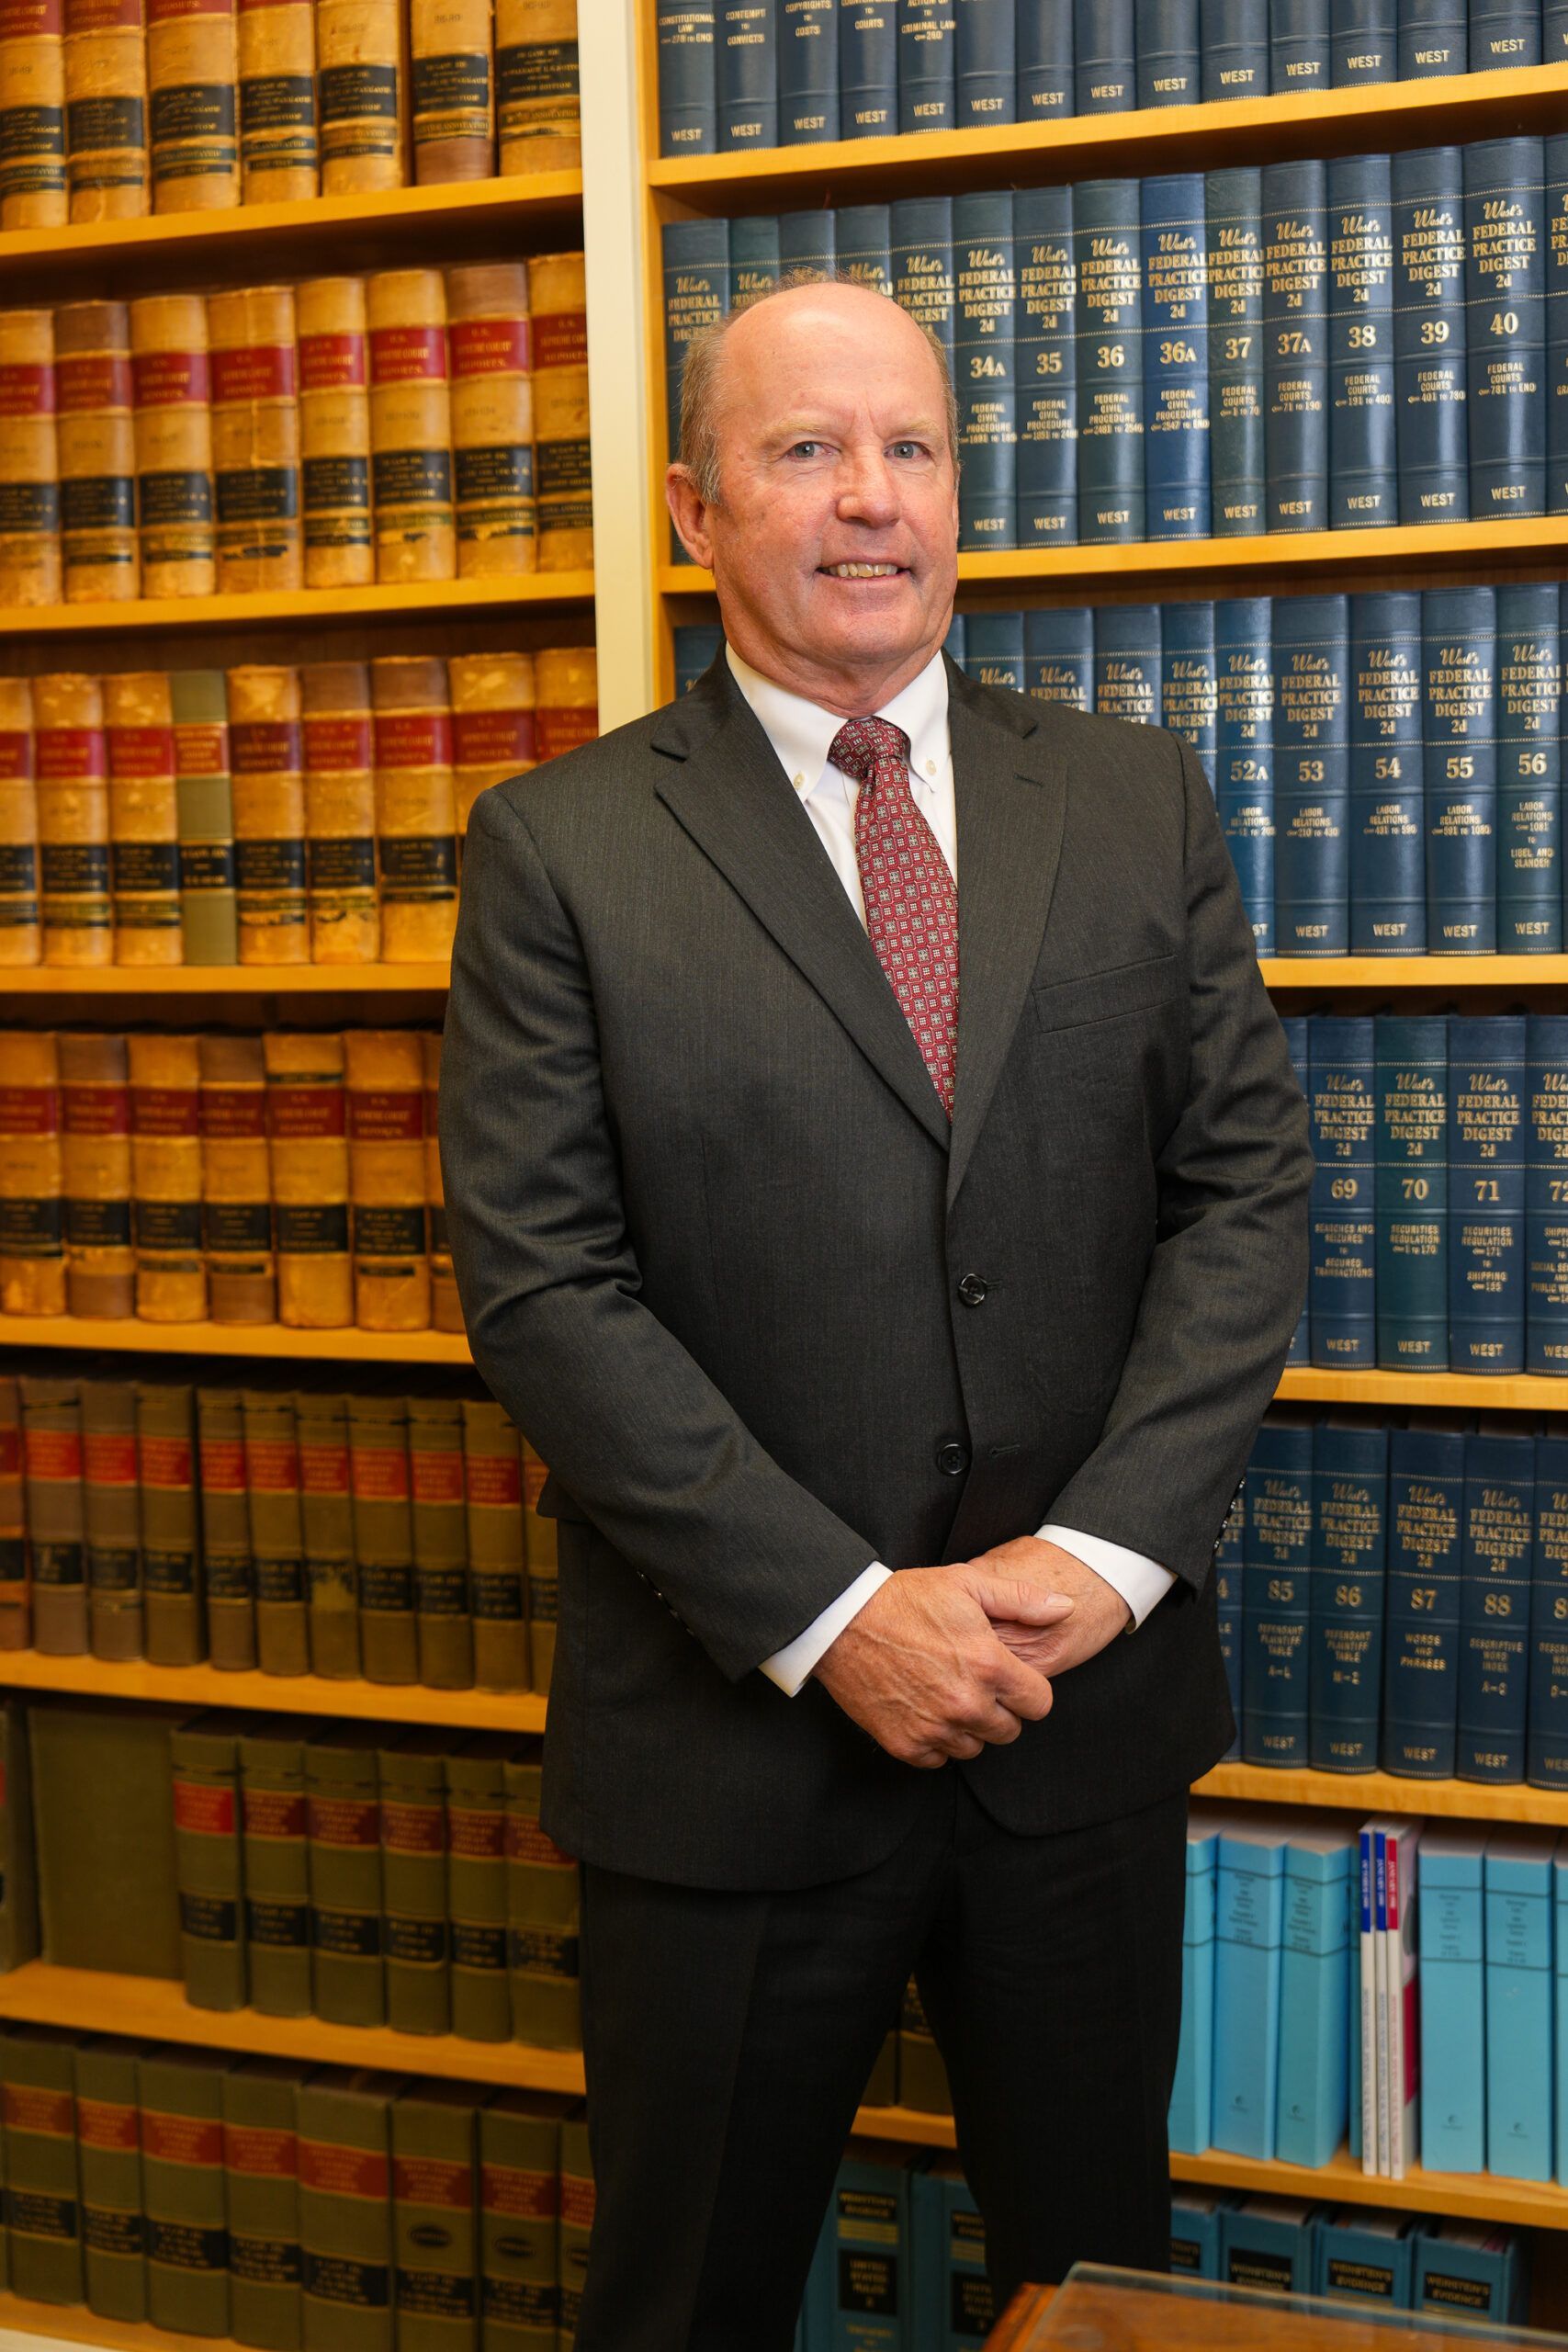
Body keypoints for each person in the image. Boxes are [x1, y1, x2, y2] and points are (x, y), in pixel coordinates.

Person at [440, 274, 1312, 2352]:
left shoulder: (1130, 803)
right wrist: (844, 1614)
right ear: (691, 506)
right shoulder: (558, 851)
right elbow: (545, 1284)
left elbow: (1242, 1190)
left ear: (956, 493)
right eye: (802, 450)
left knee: (1092, 2302)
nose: (867, 501)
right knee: (683, 2308)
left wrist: (1097, 1566)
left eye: (908, 448)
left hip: (1070, 1727)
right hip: (731, 1759)